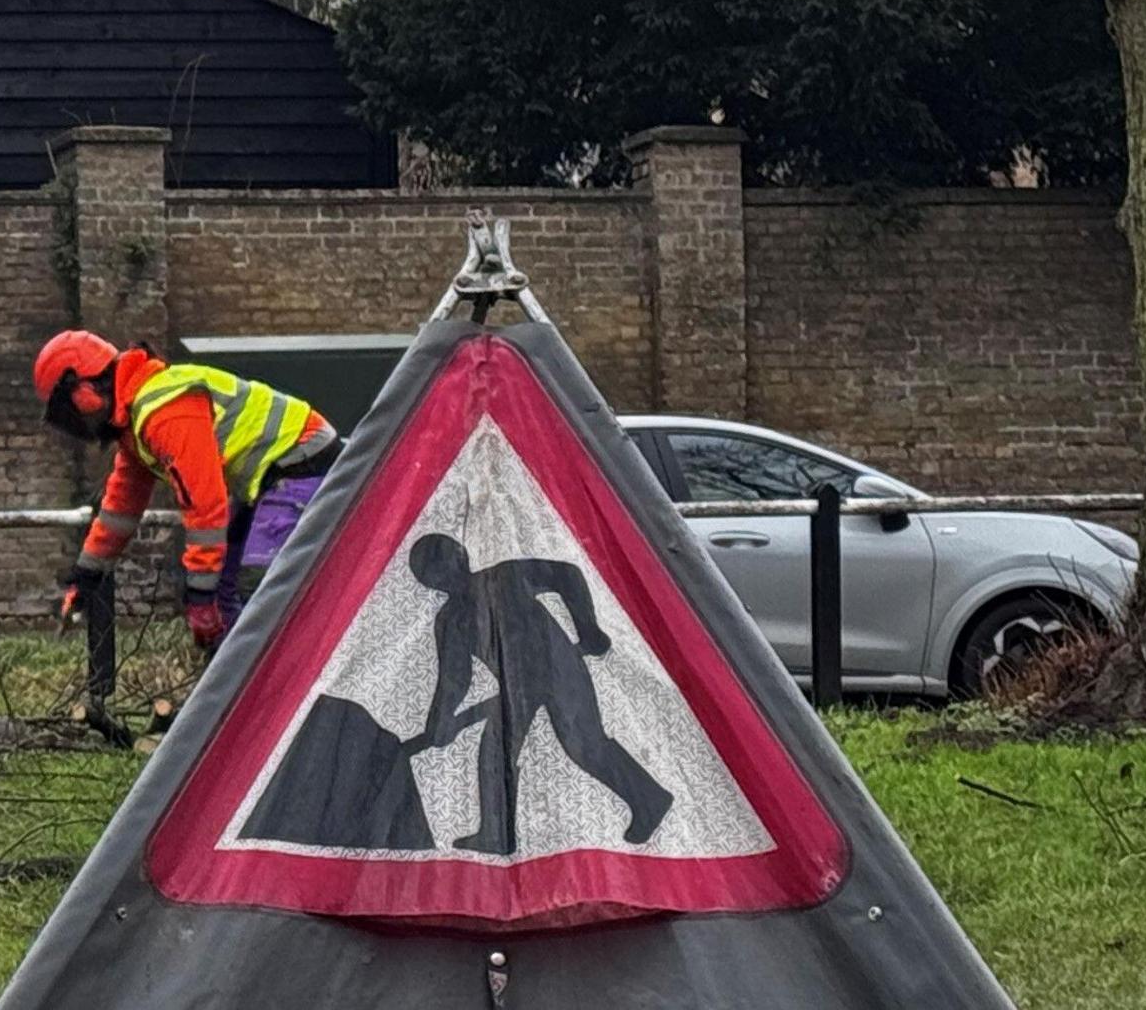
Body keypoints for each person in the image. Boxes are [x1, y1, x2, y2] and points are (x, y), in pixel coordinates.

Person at [36, 329, 341, 656]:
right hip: (269, 476)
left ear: (85, 393)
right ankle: (236, 690)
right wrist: (86, 577)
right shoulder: (137, 422)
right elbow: (120, 509)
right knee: (227, 592)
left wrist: (199, 599)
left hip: (301, 462)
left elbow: (205, 505)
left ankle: (283, 690)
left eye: (69, 413)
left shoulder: (164, 412)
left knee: (262, 591)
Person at [405, 532, 675, 854]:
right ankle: (496, 833)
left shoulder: (505, 577)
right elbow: (454, 679)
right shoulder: (451, 620)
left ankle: (648, 798)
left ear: (462, 557)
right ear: (428, 583)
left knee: (585, 746)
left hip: (559, 667)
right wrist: (440, 721)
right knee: (496, 749)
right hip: (517, 686)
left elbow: (567, 575)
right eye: (433, 574)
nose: (443, 577)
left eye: (444, 565)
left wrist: (588, 628)